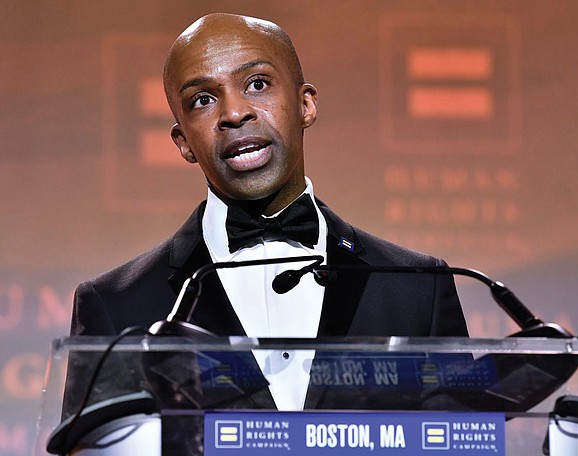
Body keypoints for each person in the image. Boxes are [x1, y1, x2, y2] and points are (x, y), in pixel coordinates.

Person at [69, 13, 468, 411]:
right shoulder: (115, 306)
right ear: (183, 142)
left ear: (306, 105)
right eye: (202, 100)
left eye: (257, 84)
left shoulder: (419, 289)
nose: (233, 113)